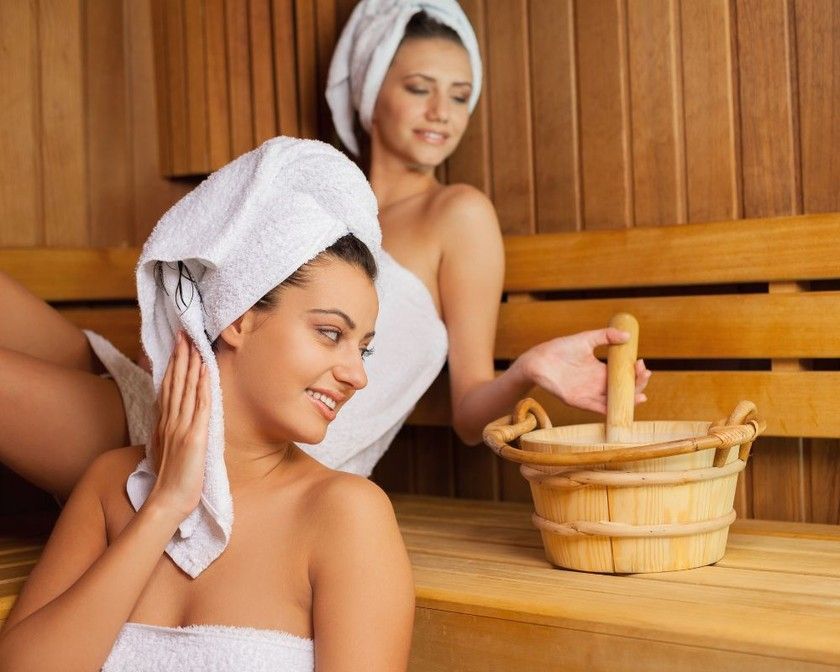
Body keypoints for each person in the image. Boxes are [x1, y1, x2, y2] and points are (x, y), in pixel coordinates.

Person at [0, 0, 649, 499]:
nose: (441, 112)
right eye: (420, 87)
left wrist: (527, 370)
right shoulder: (313, 196)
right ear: (370, 93)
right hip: (186, 398)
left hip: (252, 462)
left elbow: (467, 410)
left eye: (459, 96)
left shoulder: (458, 216)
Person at [0, 138, 414, 671]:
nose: (357, 374)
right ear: (237, 316)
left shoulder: (344, 515)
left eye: (364, 347)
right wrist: (164, 507)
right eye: (330, 333)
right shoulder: (111, 486)